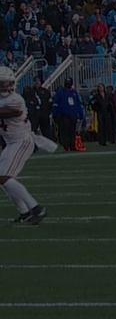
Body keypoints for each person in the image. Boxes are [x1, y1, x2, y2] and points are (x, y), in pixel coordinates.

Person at [0, 66, 47, 224]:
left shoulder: (16, 99)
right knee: (3, 178)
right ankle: (24, 212)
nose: (4, 86)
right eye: (2, 83)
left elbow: (9, 112)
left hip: (22, 141)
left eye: (6, 83)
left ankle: (36, 208)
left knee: (4, 177)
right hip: (10, 143)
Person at [52, 77, 84, 151]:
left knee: (72, 131)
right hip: (64, 115)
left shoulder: (74, 92)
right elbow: (56, 104)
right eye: (67, 82)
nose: (68, 84)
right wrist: (55, 114)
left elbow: (78, 104)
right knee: (64, 131)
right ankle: (66, 145)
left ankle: (72, 145)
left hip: (73, 115)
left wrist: (80, 113)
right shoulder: (60, 92)